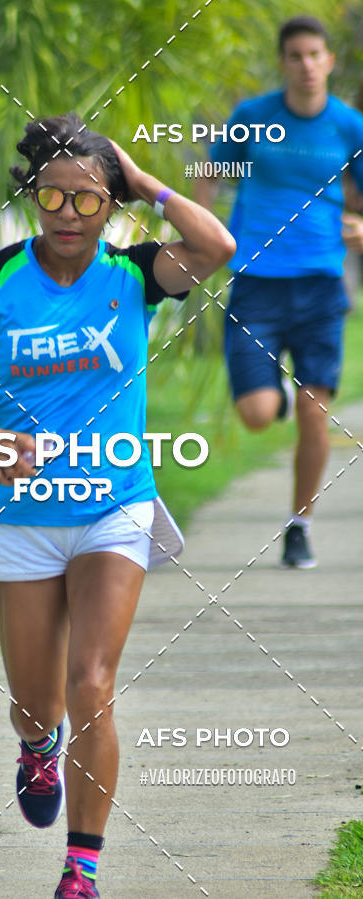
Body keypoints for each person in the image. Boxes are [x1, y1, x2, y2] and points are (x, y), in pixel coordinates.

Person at [0, 112, 234, 898]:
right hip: (21, 517)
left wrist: (144, 181)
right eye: (52, 196)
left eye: (88, 199)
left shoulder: (135, 275)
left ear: (111, 206)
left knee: (92, 681)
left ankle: (80, 869)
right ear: (32, 196)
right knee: (35, 703)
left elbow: (217, 247)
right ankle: (36, 746)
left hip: (113, 505)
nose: (68, 215)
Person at [195, 15, 363, 569]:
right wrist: (203, 237)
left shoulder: (350, 127)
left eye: (315, 54)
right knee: (257, 414)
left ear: (329, 61)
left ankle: (300, 526)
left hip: (320, 286)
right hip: (256, 284)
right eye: (296, 56)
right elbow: (210, 175)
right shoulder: (253, 117)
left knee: (316, 414)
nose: (307, 65)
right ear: (283, 62)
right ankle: (281, 395)